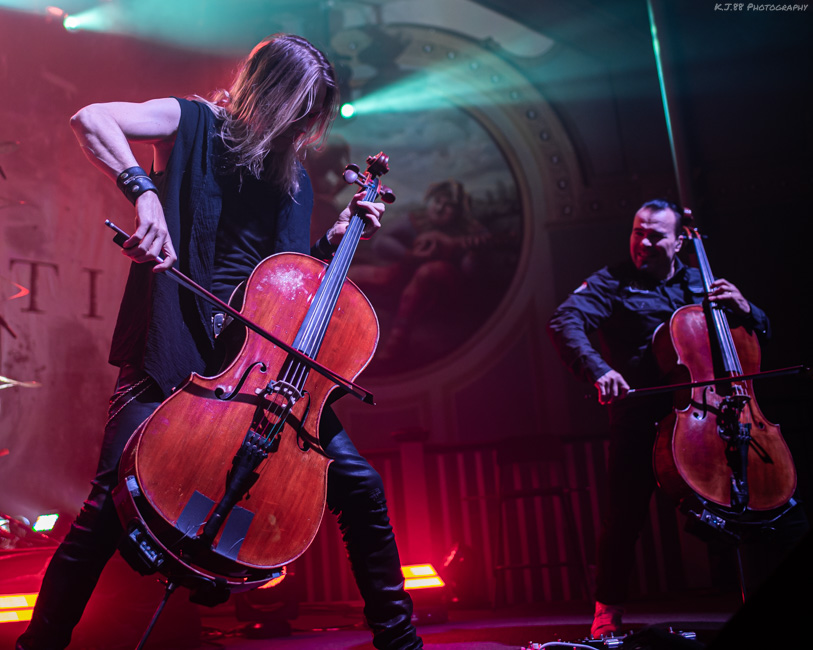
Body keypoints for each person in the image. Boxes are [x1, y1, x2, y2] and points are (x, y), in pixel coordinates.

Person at [17, 34, 422, 650]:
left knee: (359, 485)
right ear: (269, 94)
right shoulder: (194, 121)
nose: (304, 132)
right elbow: (92, 119)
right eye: (299, 113)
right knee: (106, 507)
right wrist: (143, 192)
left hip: (255, 370)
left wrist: (332, 245)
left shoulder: (296, 183)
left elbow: (279, 288)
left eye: (311, 121)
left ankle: (402, 644)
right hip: (175, 348)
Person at [547, 199, 786, 638]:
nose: (643, 242)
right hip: (642, 416)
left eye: (655, 235)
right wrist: (600, 370)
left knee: (775, 509)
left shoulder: (703, 283)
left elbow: (761, 333)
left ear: (679, 241)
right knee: (623, 517)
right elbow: (565, 321)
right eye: (638, 231)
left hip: (714, 418)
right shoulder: (613, 282)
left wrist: (748, 310)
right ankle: (607, 611)